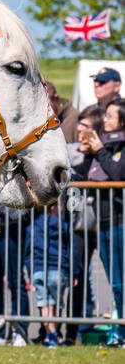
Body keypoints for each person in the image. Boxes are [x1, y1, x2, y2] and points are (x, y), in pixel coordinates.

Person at [82, 98, 125, 345]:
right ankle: (119, 332)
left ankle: (121, 333)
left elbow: (119, 173)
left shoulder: (120, 146)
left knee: (122, 281)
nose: (105, 120)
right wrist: (90, 155)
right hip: (104, 220)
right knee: (114, 283)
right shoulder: (108, 144)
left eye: (110, 116)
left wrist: (99, 150)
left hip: (120, 221)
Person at [25, 196, 79, 347]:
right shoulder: (65, 226)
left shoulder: (33, 226)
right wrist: (74, 271)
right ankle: (54, 334)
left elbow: (27, 252)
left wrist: (30, 272)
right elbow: (72, 250)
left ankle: (50, 334)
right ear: (54, 207)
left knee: (43, 304)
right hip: (58, 270)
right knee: (54, 305)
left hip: (38, 269)